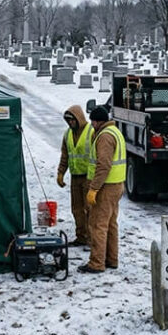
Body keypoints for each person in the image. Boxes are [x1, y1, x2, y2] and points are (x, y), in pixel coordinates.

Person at [78, 106, 126, 273]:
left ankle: (97, 263)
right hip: (117, 185)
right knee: (111, 224)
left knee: (98, 224)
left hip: (105, 187)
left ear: (98, 121)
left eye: (93, 121)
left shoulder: (105, 137)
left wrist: (94, 188)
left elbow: (103, 165)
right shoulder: (115, 132)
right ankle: (111, 259)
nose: (91, 125)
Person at [56, 105, 94, 246]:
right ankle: (81, 236)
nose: (70, 123)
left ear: (79, 118)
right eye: (68, 121)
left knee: (90, 209)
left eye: (72, 120)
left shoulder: (91, 132)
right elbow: (65, 156)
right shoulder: (68, 134)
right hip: (75, 177)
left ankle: (91, 238)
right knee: (77, 209)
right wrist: (61, 172)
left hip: (89, 177)